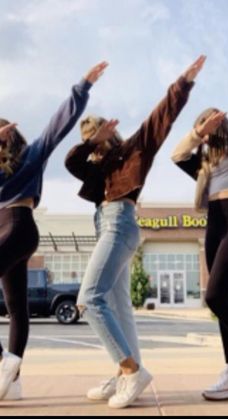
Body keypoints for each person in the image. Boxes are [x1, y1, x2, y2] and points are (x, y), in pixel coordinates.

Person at [65, 56, 206, 409]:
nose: (96, 141)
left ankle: (131, 371)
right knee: (118, 306)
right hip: (107, 226)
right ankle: (125, 371)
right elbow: (71, 163)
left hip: (120, 222)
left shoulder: (133, 151)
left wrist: (183, 83)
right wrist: (88, 144)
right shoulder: (96, 172)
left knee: (90, 300)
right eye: (90, 138)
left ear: (112, 132)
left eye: (99, 133)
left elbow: (161, 118)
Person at [0, 61, 108, 402]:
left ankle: (5, 362)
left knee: (17, 307)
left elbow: (56, 127)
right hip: (14, 232)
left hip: (17, 226)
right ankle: (13, 381)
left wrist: (82, 87)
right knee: (17, 307)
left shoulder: (31, 155)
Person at [172, 108, 228, 401]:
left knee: (213, 297)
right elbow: (177, 154)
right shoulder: (205, 162)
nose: (205, 131)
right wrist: (198, 134)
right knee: (223, 299)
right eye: (201, 126)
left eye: (210, 125)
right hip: (215, 224)